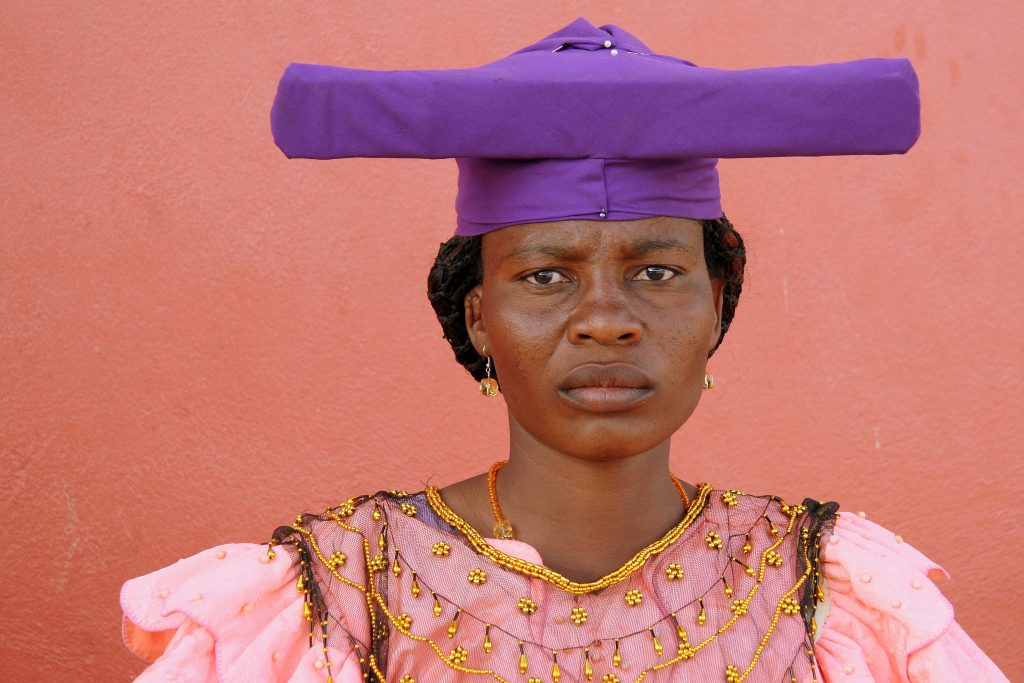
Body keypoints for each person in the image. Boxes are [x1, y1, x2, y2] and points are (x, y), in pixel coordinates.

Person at [119, 18, 1008, 682]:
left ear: (718, 307)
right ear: (477, 320)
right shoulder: (335, 598)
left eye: (658, 273)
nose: (606, 319)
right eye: (546, 277)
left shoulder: (832, 594)